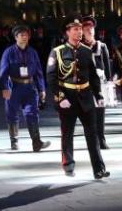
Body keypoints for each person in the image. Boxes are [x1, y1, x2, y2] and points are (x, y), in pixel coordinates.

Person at [46, 18, 109, 180]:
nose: (79, 32)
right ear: (67, 32)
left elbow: (93, 76)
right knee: (67, 133)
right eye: (75, 29)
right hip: (68, 97)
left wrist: (99, 95)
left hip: (86, 97)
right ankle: (68, 164)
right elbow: (51, 78)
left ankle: (99, 169)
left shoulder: (86, 51)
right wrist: (60, 98)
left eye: (80, 29)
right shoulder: (58, 52)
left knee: (92, 134)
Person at [0, 24, 50, 152]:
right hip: (14, 87)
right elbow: (3, 72)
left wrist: (42, 89)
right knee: (11, 113)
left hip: (29, 87)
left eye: (26, 35)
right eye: (21, 35)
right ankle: (14, 141)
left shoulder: (32, 52)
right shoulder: (8, 52)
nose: (24, 37)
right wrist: (5, 88)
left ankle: (36, 142)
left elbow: (38, 72)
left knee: (32, 113)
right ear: (16, 37)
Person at [81, 16, 112, 149]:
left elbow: (107, 65)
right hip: (86, 84)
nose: (89, 31)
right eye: (86, 29)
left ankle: (102, 139)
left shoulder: (102, 46)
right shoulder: (79, 47)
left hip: (100, 83)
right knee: (89, 113)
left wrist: (109, 83)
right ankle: (92, 141)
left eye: (91, 29)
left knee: (100, 113)